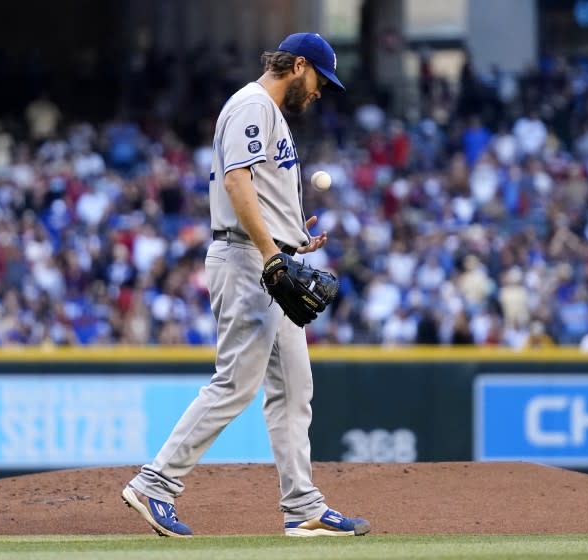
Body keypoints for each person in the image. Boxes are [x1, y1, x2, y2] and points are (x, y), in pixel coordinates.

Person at [121, 33, 371, 538]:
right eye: (320, 79)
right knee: (237, 381)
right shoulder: (252, 105)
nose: (321, 91)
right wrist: (272, 252)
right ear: (298, 65)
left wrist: (292, 240)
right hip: (248, 260)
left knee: (294, 388)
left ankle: (303, 506)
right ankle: (156, 483)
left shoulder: (269, 113)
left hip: (268, 258)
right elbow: (236, 183)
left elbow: (258, 191)